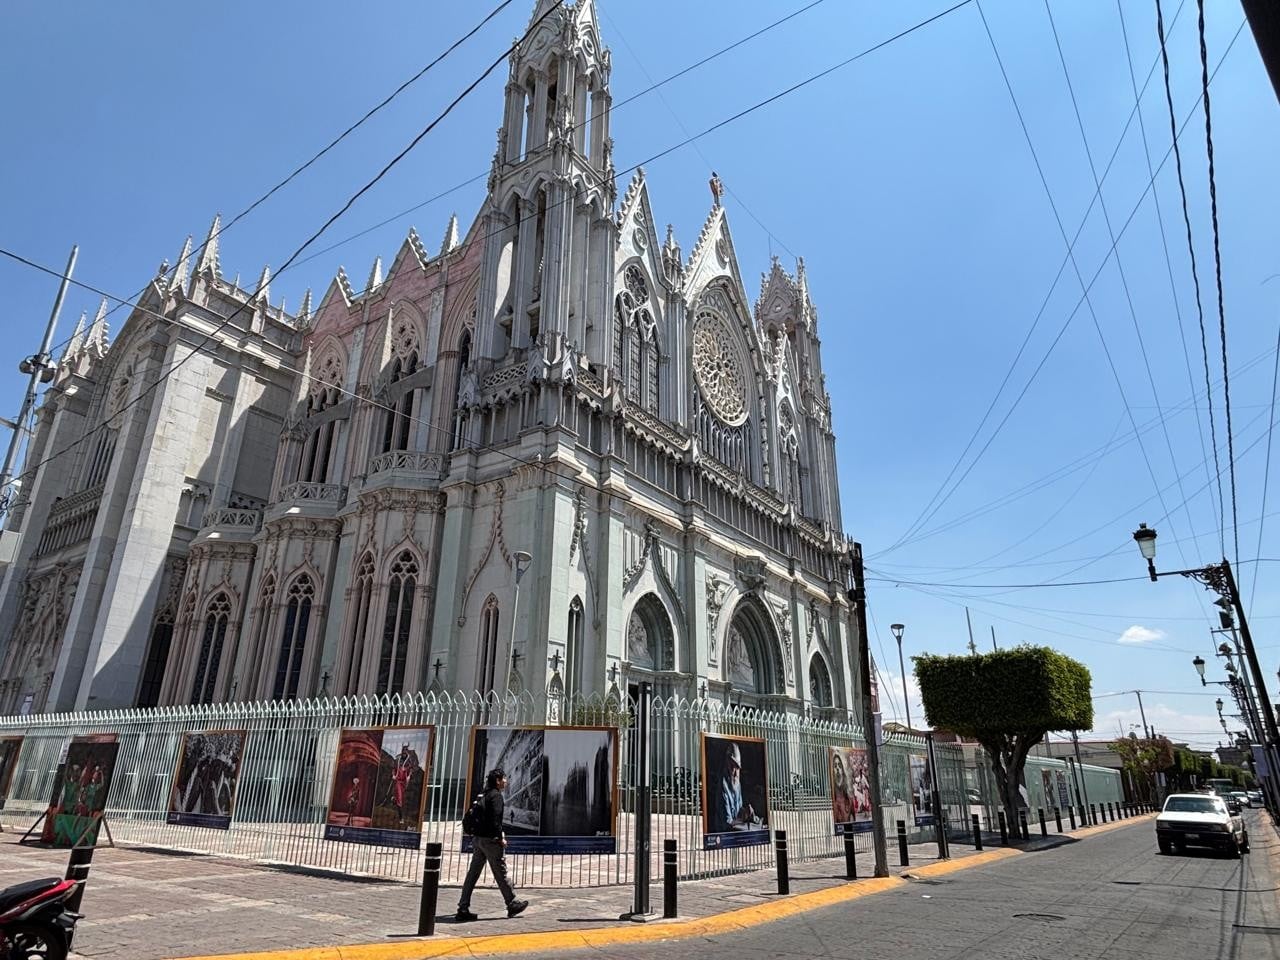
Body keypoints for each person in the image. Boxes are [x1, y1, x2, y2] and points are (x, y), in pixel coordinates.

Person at [457, 768, 528, 922]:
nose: (506, 781)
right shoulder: (496, 796)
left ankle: (463, 907)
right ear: (497, 780)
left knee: (472, 874)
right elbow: (495, 820)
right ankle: (512, 903)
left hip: (478, 840)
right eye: (504, 779)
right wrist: (499, 838)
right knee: (500, 871)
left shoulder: (483, 794)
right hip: (490, 840)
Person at [713, 742, 759, 833]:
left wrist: (747, 812)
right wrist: (744, 818)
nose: (735, 771)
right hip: (723, 833)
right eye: (732, 766)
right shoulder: (722, 786)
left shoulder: (737, 784)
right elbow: (727, 822)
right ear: (726, 764)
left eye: (737, 767)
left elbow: (738, 811)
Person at [831, 752, 853, 825]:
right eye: (835, 766)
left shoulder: (849, 800)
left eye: (839, 765)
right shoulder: (833, 800)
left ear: (842, 769)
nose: (837, 768)